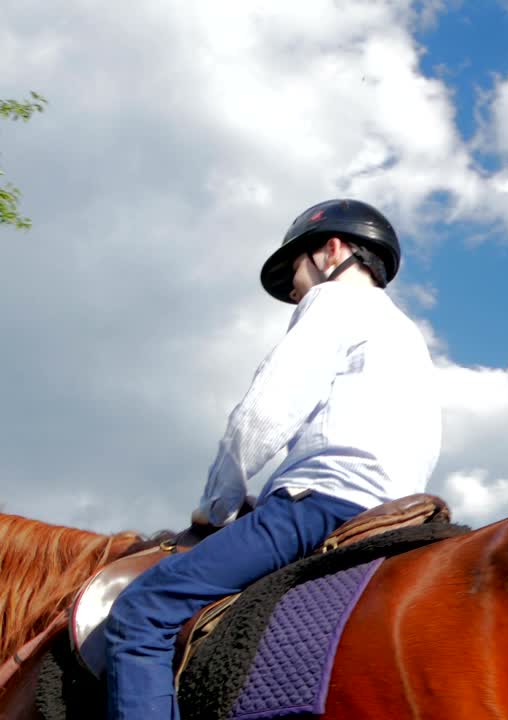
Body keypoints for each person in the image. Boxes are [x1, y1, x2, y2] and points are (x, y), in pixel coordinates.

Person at [103, 199, 442, 719]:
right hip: (393, 511)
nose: (291, 290)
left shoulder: (333, 301)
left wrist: (214, 509)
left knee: (143, 610)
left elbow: (261, 418)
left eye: (292, 272)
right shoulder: (406, 335)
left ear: (332, 251)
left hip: (319, 506)